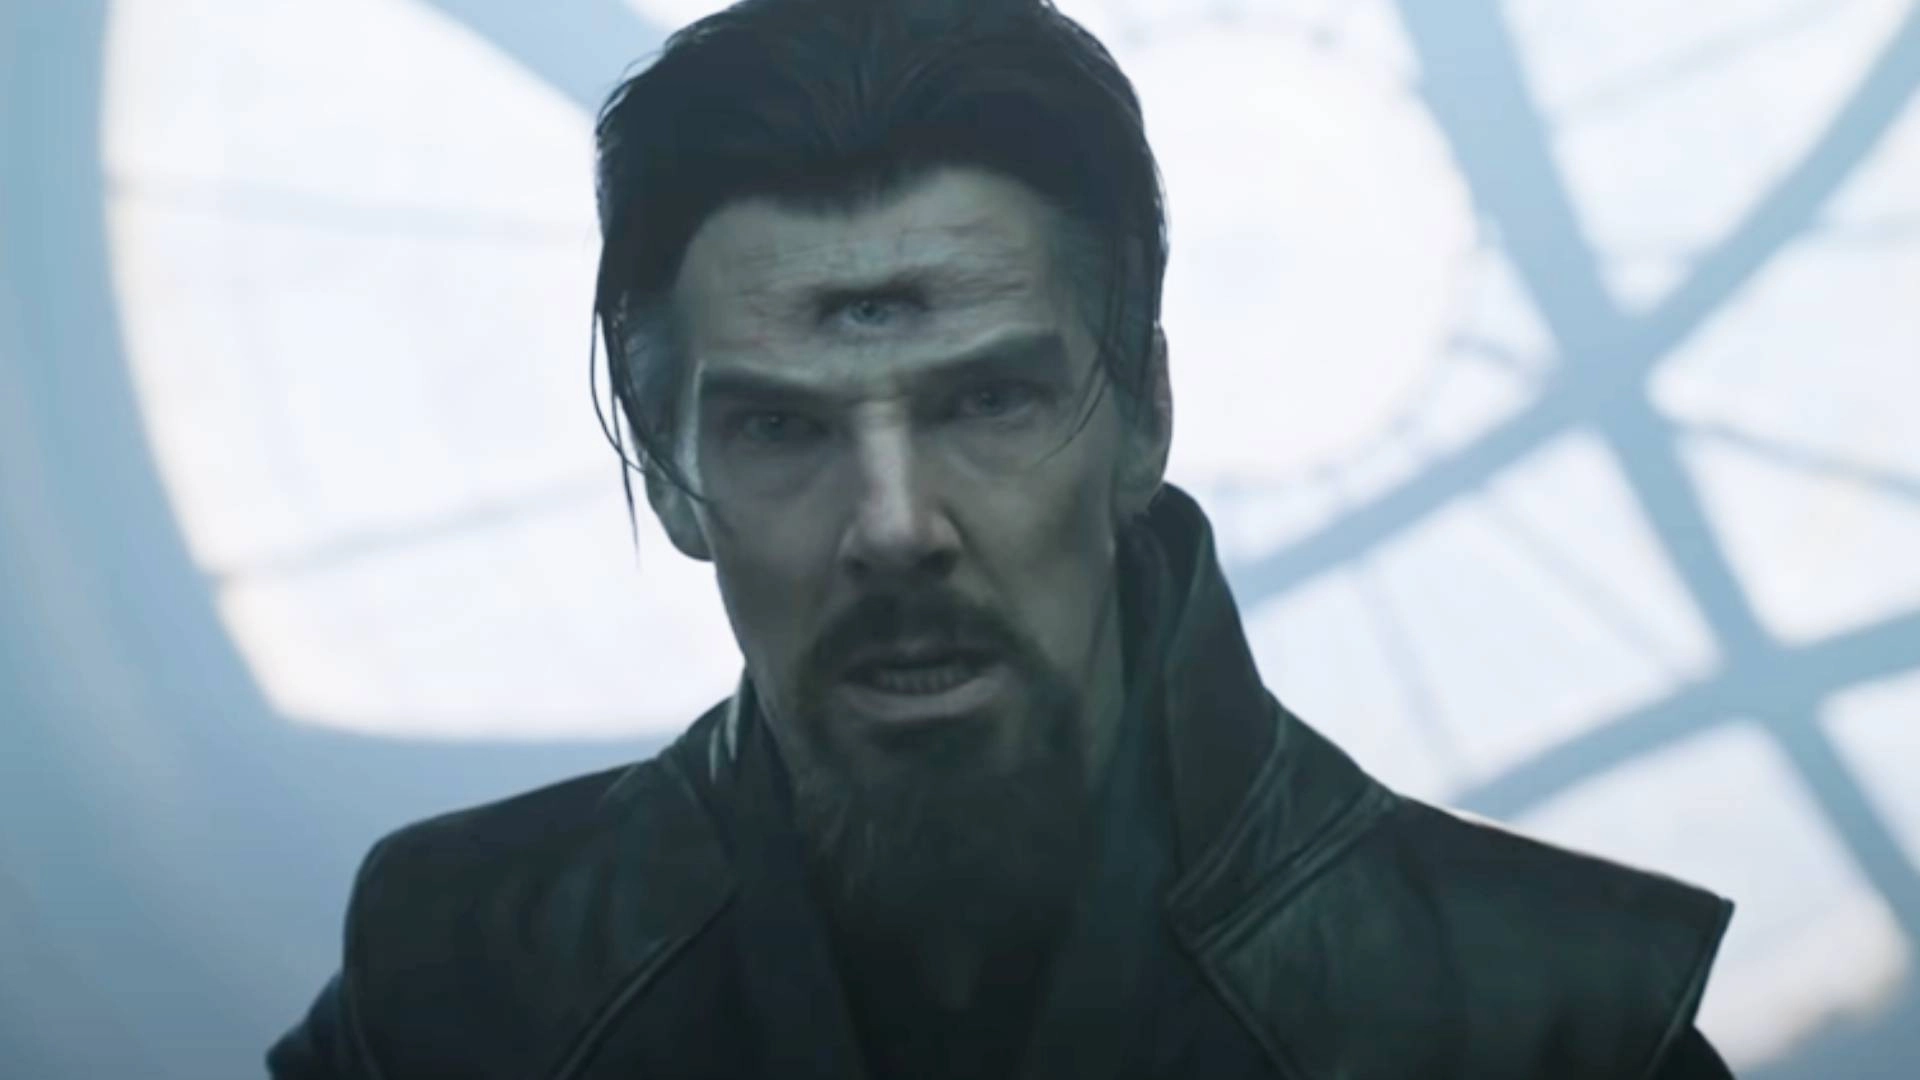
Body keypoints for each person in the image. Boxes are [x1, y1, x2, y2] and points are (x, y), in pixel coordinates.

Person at [269, 1, 1737, 1076]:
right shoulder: (456, 988)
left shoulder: (1556, 1029)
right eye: (781, 427)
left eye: (985, 401)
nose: (894, 527)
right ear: (666, 469)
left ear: (1144, 416)